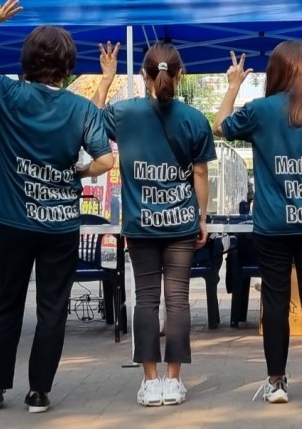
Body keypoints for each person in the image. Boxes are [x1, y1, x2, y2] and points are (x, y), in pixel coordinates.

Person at [0, 0, 115, 415]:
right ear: (68, 66)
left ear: (27, 59)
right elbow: (105, 160)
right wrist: (77, 172)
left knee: (7, 302)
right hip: (60, 225)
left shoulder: (6, 92)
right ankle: (39, 392)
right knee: (52, 309)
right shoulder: (80, 108)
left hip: (12, 220)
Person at [215, 42, 302, 405]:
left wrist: (233, 86)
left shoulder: (259, 111)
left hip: (271, 225)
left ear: (275, 71)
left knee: (275, 301)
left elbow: (220, 127)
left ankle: (276, 382)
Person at [93, 41, 216, 407]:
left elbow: (90, 121)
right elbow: (200, 173)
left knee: (146, 300)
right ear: (180, 75)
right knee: (177, 301)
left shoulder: (124, 113)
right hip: (181, 224)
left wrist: (106, 78)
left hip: (140, 224)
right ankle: (174, 381)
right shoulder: (195, 119)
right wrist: (202, 216)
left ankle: (150, 382)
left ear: (143, 75)